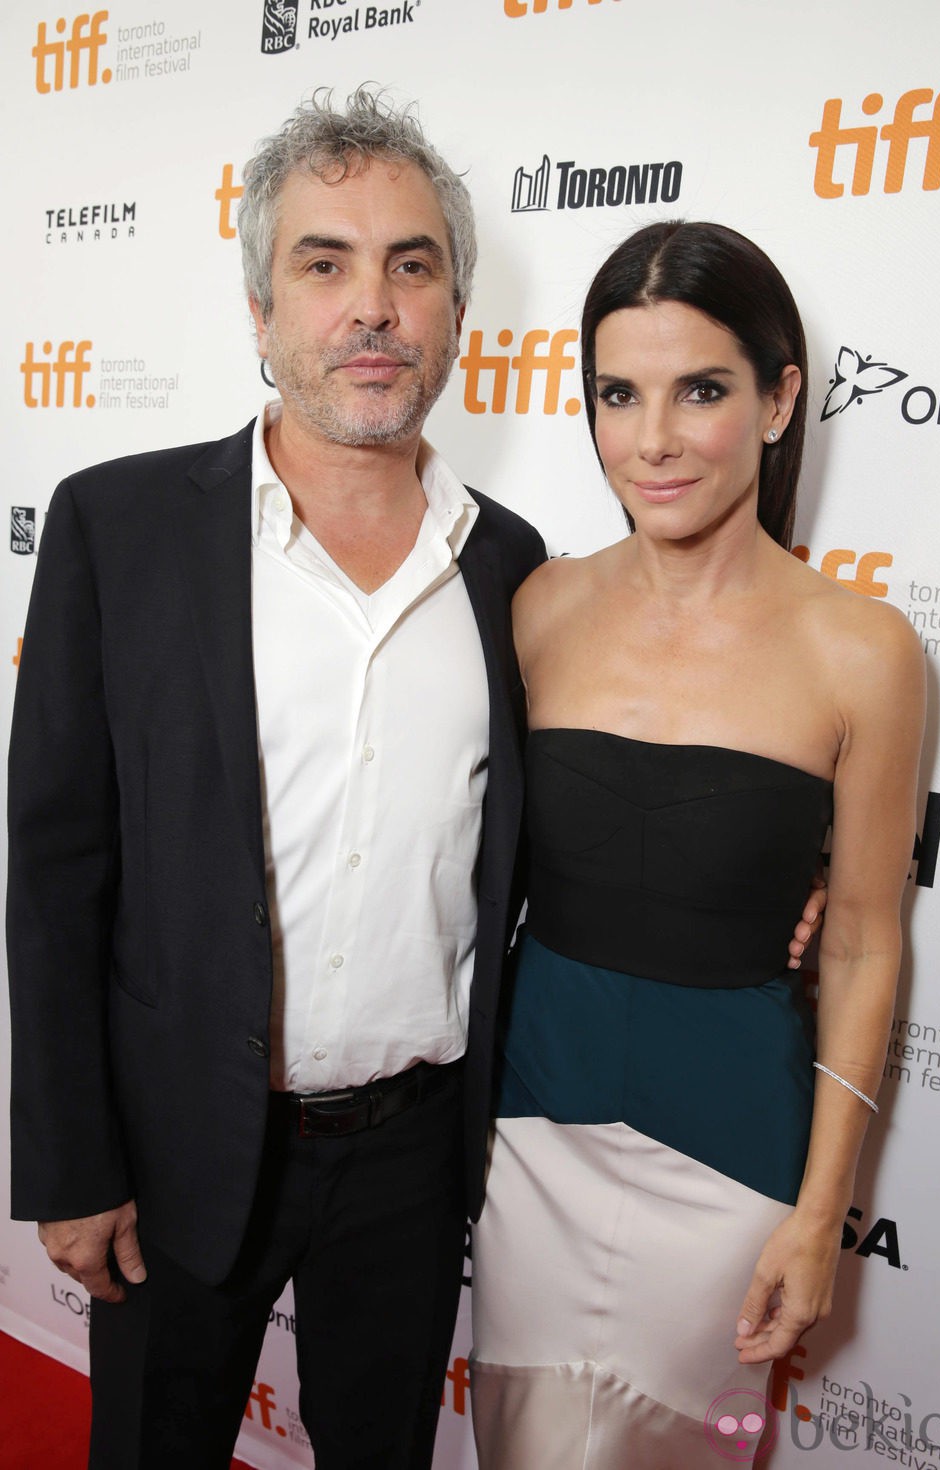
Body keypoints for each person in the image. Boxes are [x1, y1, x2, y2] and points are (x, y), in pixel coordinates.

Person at [6, 87, 546, 1470]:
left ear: (455, 312)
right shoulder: (115, 528)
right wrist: (71, 1163)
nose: (372, 304)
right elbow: (57, 870)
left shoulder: (518, 570)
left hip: (417, 1164)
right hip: (178, 1135)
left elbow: (559, 840)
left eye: (410, 264)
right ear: (260, 311)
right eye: (326, 263)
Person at [470, 221, 925, 1469]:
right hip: (530, 1132)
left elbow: (864, 947)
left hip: (732, 1156)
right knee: (516, 1444)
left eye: (701, 390)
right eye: (617, 393)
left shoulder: (864, 651)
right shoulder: (539, 606)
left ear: (779, 401)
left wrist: (820, 1210)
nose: (652, 439)